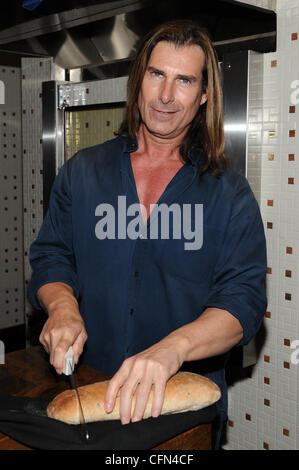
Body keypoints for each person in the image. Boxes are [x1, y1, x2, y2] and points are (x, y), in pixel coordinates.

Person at [27, 20, 267, 449]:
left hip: (178, 412)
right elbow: (52, 256)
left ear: (205, 94)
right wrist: (62, 307)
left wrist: (171, 349)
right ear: (139, 81)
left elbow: (242, 303)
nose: (166, 96)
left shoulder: (229, 194)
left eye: (184, 80)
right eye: (157, 74)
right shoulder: (83, 171)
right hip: (91, 391)